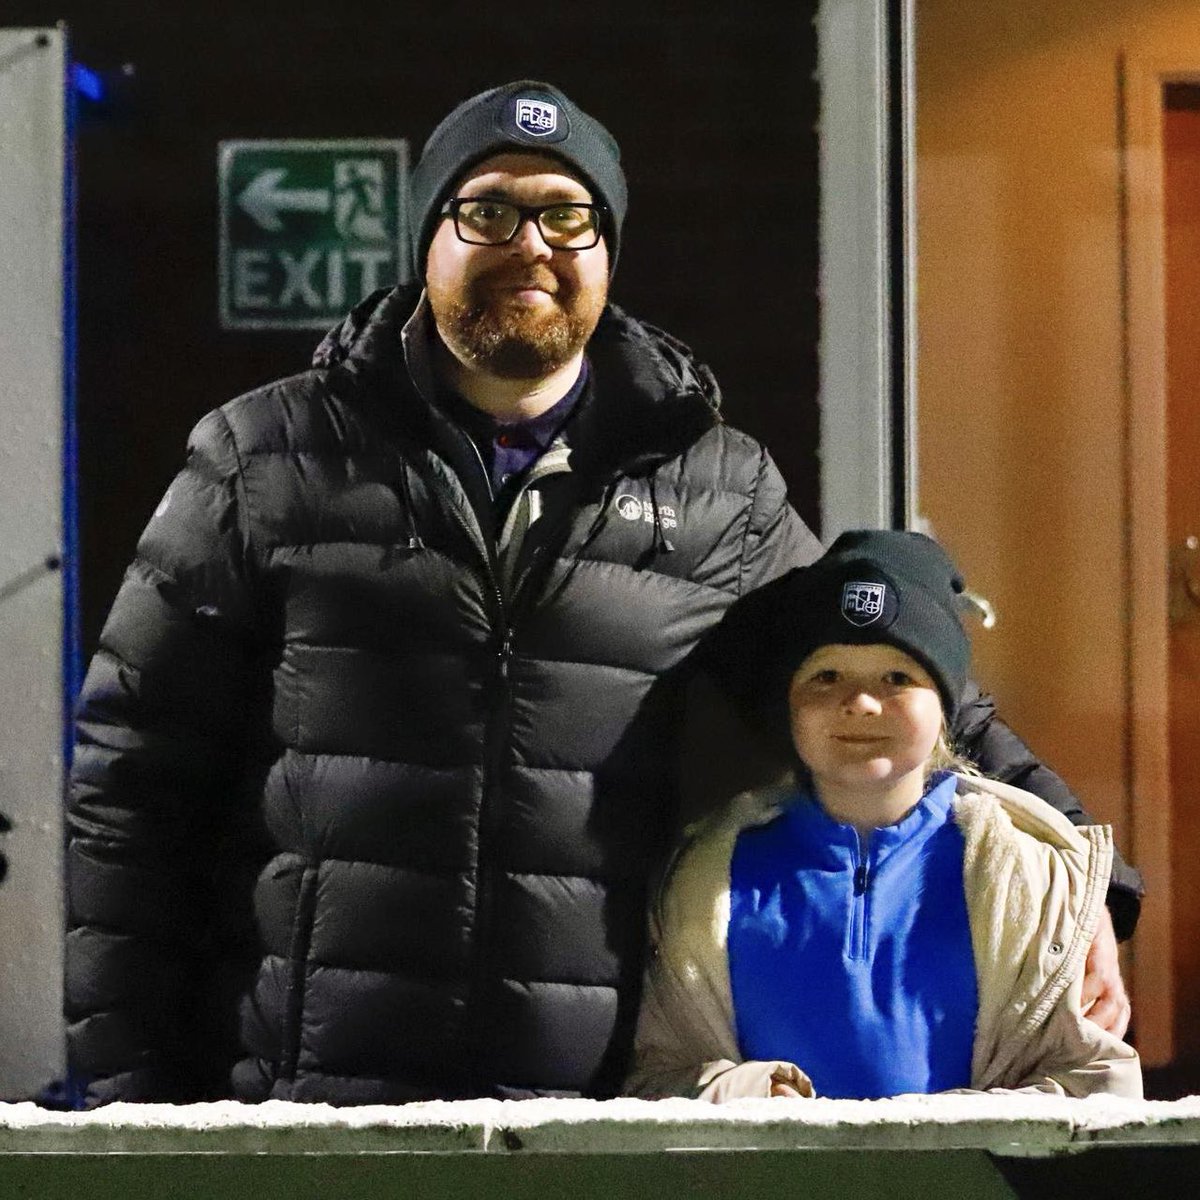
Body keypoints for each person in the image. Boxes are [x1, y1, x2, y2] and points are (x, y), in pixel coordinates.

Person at [64, 81, 1140, 1107]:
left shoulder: (709, 487)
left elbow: (886, 660)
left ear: (607, 255)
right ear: (429, 240)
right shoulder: (267, 456)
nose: (530, 244)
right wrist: (126, 1097)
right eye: (487, 211)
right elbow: (132, 784)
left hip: (588, 1101)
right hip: (312, 1096)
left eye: (567, 218)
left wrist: (1088, 884)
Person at [625, 531, 1142, 1101]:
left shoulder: (1027, 883)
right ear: (788, 703)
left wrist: (939, 1144)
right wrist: (750, 1096)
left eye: (898, 678)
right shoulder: (707, 883)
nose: (861, 703)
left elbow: (1099, 1085)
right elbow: (657, 1076)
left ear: (946, 706)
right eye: (826, 676)